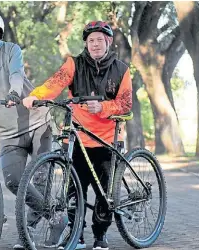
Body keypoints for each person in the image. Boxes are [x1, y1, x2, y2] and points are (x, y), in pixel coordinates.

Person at [22, 21, 133, 250]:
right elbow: (55, 82)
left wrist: (103, 108)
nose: (94, 44)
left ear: (108, 42)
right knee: (74, 189)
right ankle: (77, 236)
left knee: (105, 191)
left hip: (106, 139)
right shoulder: (74, 64)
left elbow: (125, 103)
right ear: (86, 43)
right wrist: (35, 97)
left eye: (99, 40)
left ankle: (100, 236)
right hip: (77, 138)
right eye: (90, 40)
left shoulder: (121, 70)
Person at [0, 10, 59, 249]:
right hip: (7, 132)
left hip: (38, 123)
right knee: (14, 181)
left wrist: (14, 92)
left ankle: (30, 232)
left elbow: (17, 73)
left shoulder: (11, 50)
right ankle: (56, 216)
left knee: (40, 178)